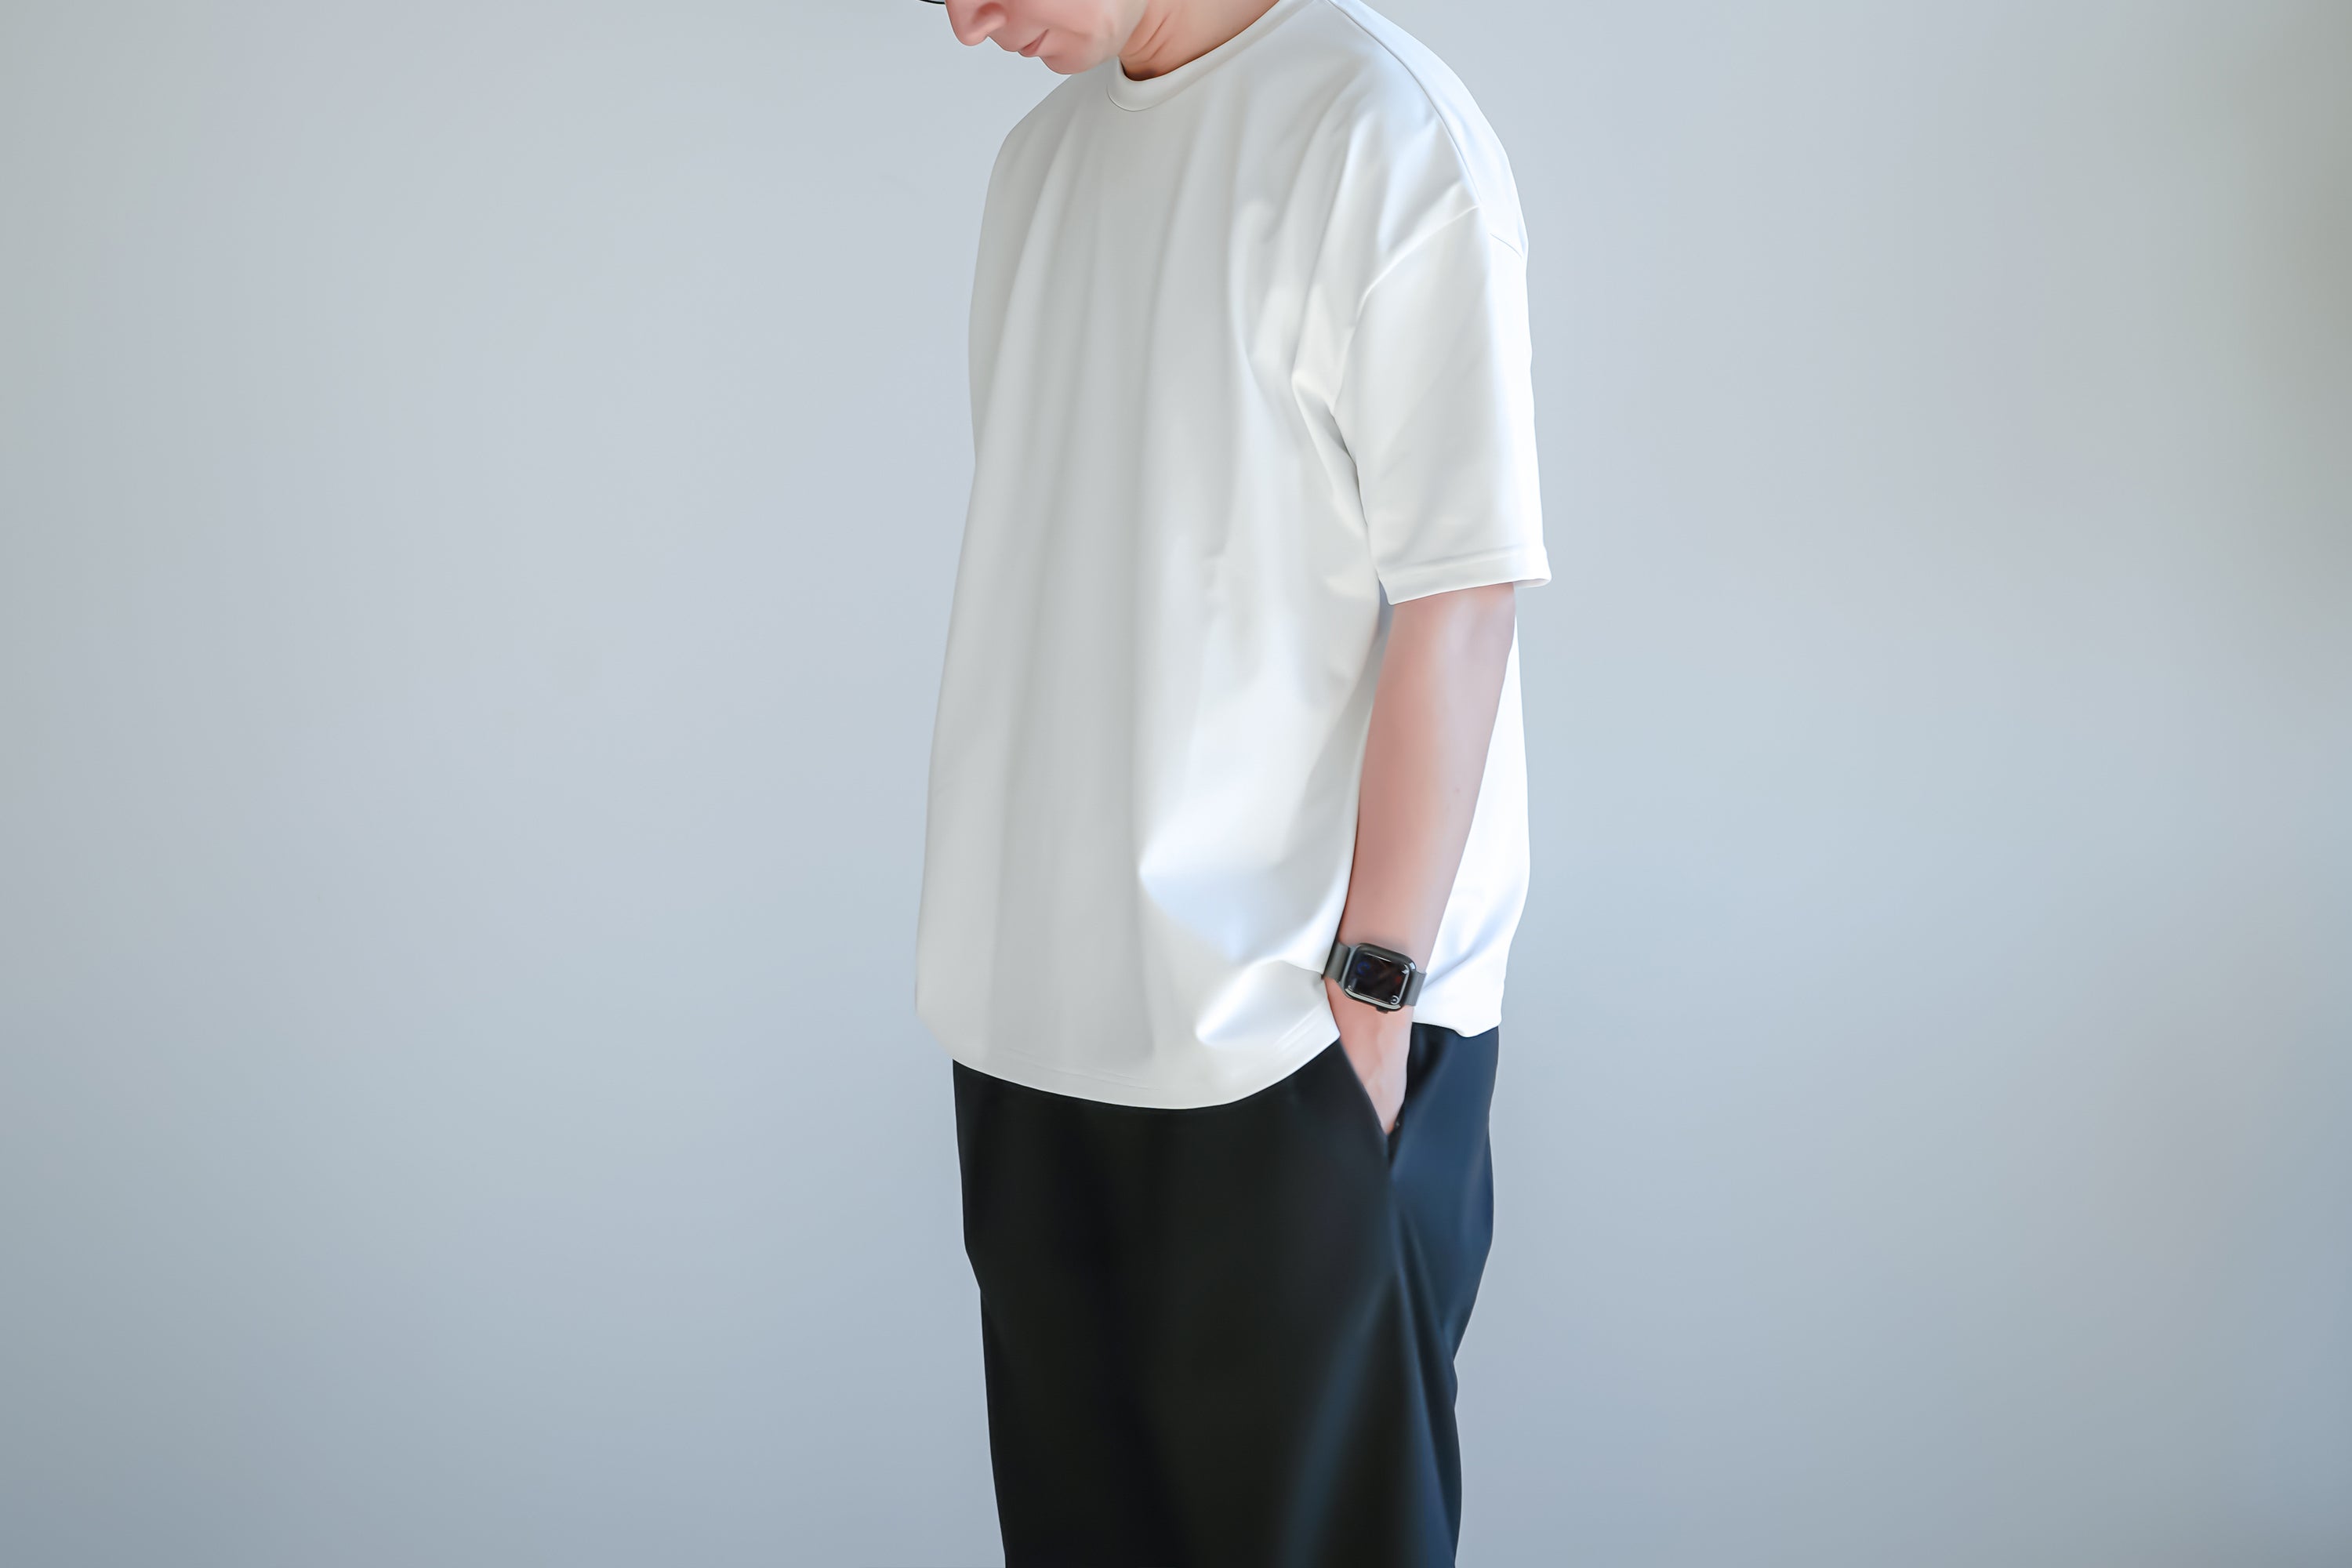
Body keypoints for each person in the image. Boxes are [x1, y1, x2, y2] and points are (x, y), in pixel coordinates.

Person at [917, 0, 1548, 1561]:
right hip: (1034, 1040)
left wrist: (1370, 1006)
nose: (966, 21)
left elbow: (1464, 591)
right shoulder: (1039, 169)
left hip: (1286, 1041)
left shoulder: (1381, 130)